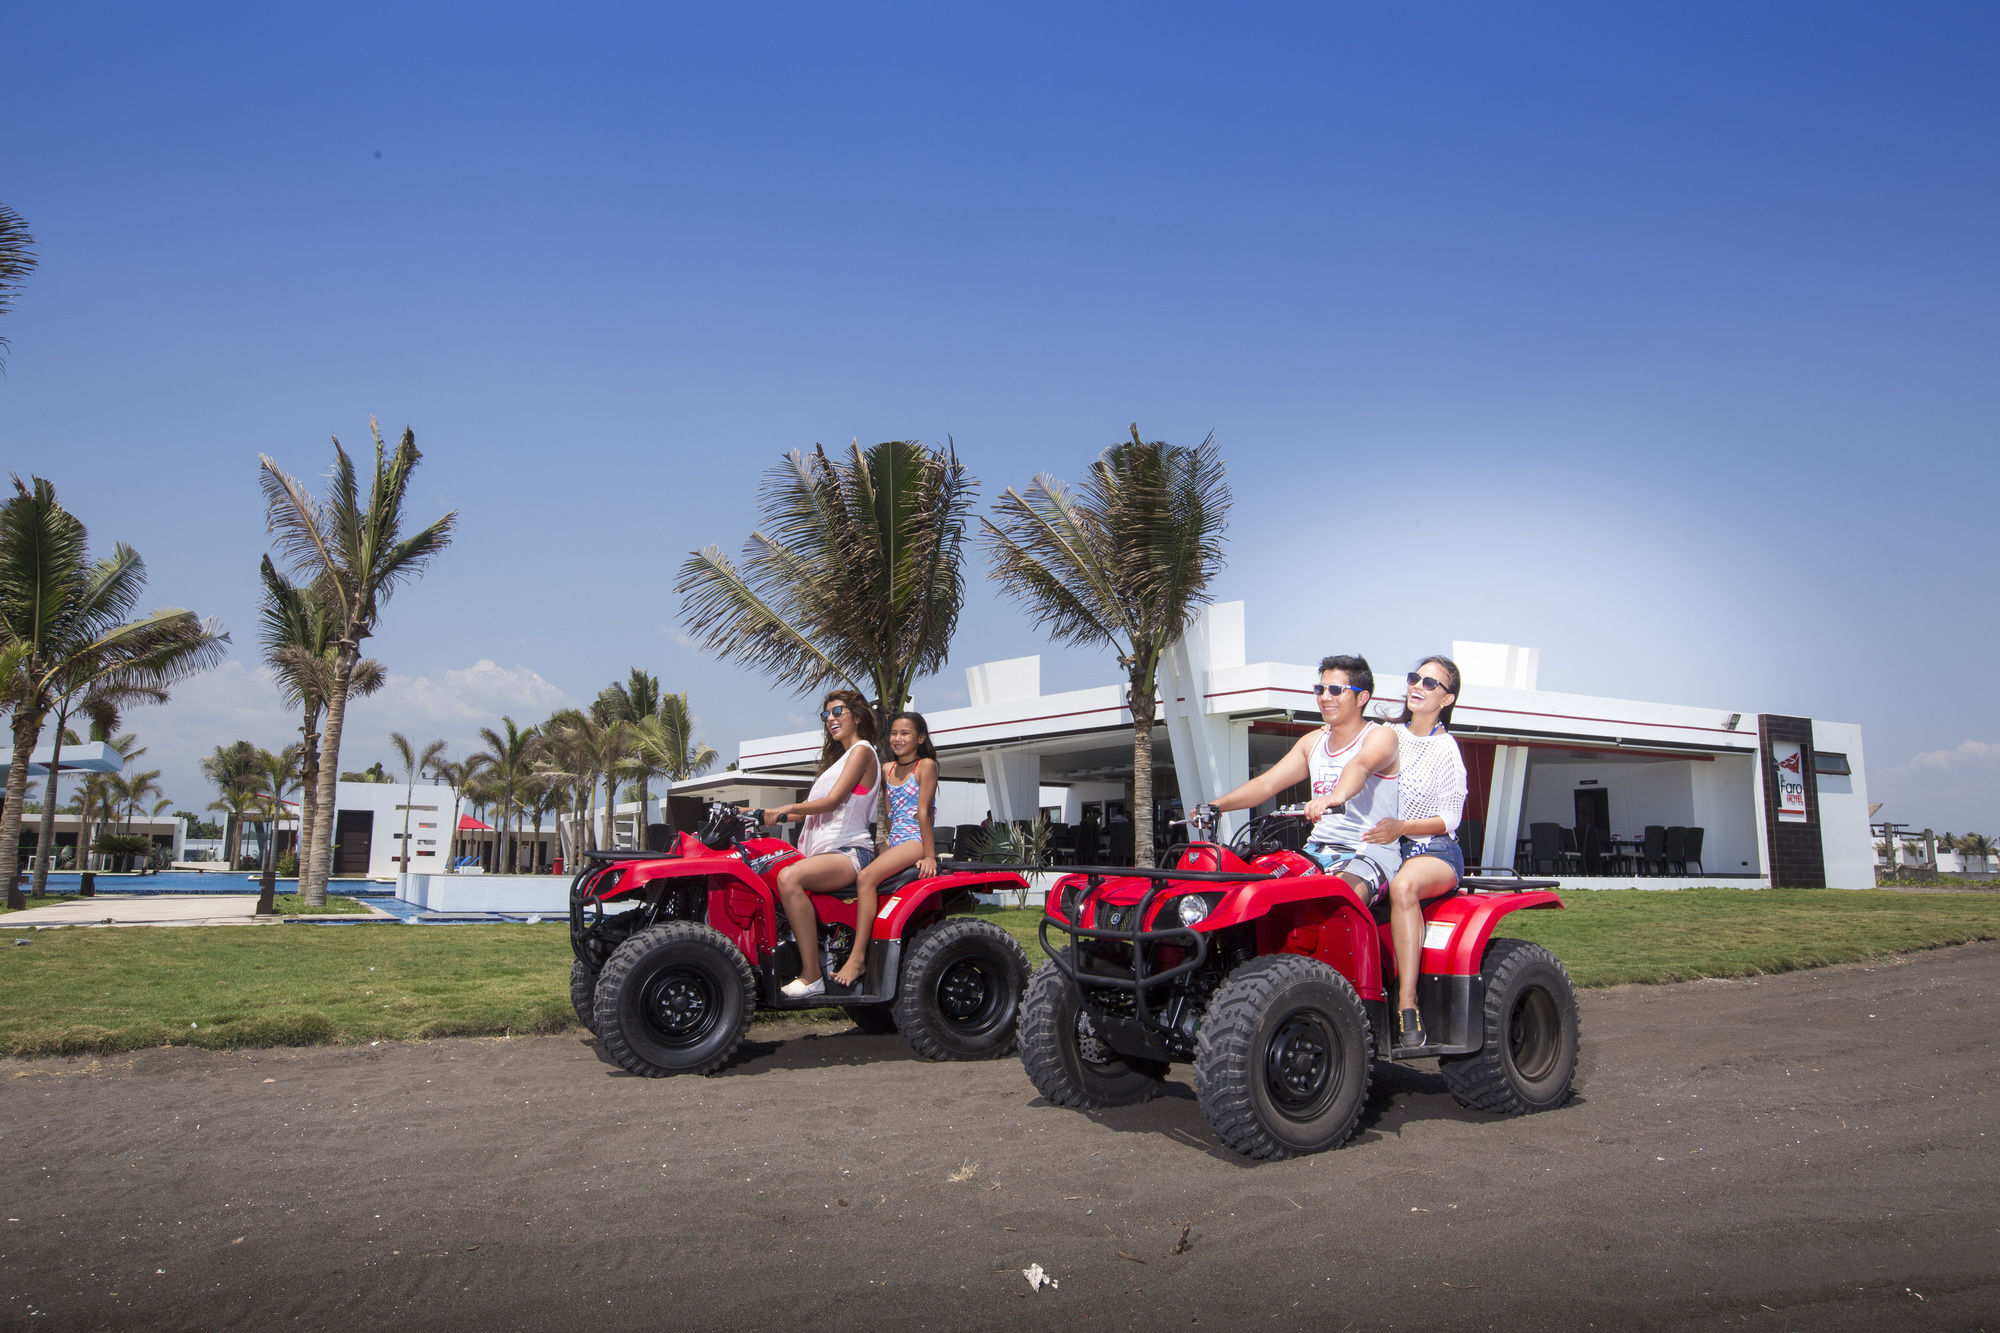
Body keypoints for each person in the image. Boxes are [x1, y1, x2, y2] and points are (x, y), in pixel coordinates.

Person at [1197, 655, 1401, 908]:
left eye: (1336, 690)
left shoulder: (1381, 736)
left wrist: (1335, 796)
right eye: (1320, 689)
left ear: (1362, 698)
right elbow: (1266, 784)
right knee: (1248, 888)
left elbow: (1360, 766)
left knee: (1337, 899)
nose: (1325, 697)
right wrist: (1215, 806)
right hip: (1315, 850)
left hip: (1367, 853)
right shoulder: (1312, 741)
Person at [1372, 657, 1469, 1048]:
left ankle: (1406, 1004)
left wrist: (1401, 828)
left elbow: (1450, 817)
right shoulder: (1385, 734)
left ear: (1447, 699)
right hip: (1384, 844)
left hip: (1434, 849)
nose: (1418, 686)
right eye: (1415, 678)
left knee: (1404, 886)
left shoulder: (1445, 749)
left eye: (1431, 683)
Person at [760, 689, 881, 999]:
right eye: (826, 714)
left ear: (857, 716)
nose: (830, 718)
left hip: (850, 851)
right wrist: (752, 813)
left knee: (790, 877)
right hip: (825, 852)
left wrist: (785, 809)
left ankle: (811, 975)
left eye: (837, 711)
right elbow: (814, 812)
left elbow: (832, 803)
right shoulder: (839, 761)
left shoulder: (863, 751)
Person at [828, 711, 939, 990]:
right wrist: (886, 842)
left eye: (905, 733)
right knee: (850, 865)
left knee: (866, 878)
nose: (897, 738)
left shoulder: (925, 766)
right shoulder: (887, 768)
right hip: (896, 838)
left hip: (915, 839)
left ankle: (858, 957)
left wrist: (929, 855)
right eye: (894, 733)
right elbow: (889, 816)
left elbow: (924, 813)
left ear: (921, 737)